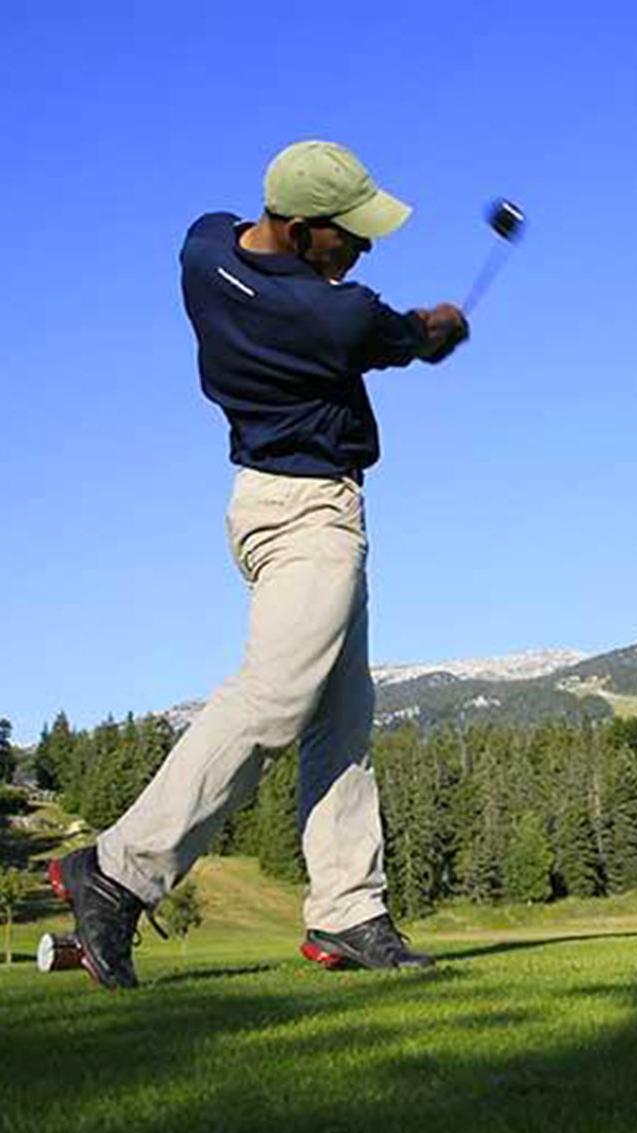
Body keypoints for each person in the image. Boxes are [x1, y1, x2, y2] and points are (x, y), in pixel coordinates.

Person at [49, 140, 469, 989]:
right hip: (309, 517)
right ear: (305, 228)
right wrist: (444, 328)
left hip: (268, 502)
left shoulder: (204, 250)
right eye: (350, 235)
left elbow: (226, 232)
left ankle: (349, 911)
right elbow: (414, 339)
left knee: (342, 720)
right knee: (276, 700)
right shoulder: (335, 315)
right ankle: (119, 870)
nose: (363, 250)